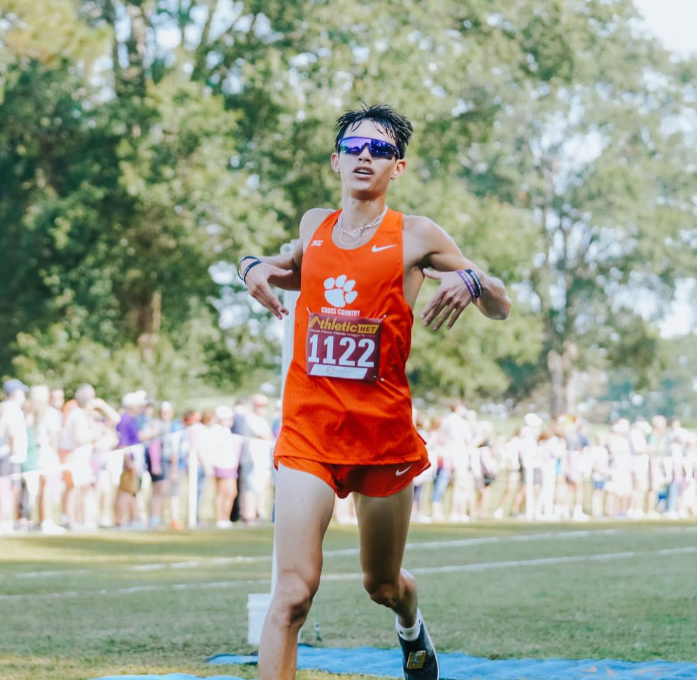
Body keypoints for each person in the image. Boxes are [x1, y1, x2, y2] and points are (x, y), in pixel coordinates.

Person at [240, 103, 510, 680]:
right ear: (336, 159)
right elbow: (286, 266)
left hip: (381, 435)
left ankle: (410, 625)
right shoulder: (316, 224)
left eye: (381, 149)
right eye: (355, 147)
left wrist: (471, 279)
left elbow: (500, 303)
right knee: (291, 594)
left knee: (381, 584)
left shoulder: (415, 235)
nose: (367, 156)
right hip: (308, 433)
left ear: (399, 167)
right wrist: (249, 267)